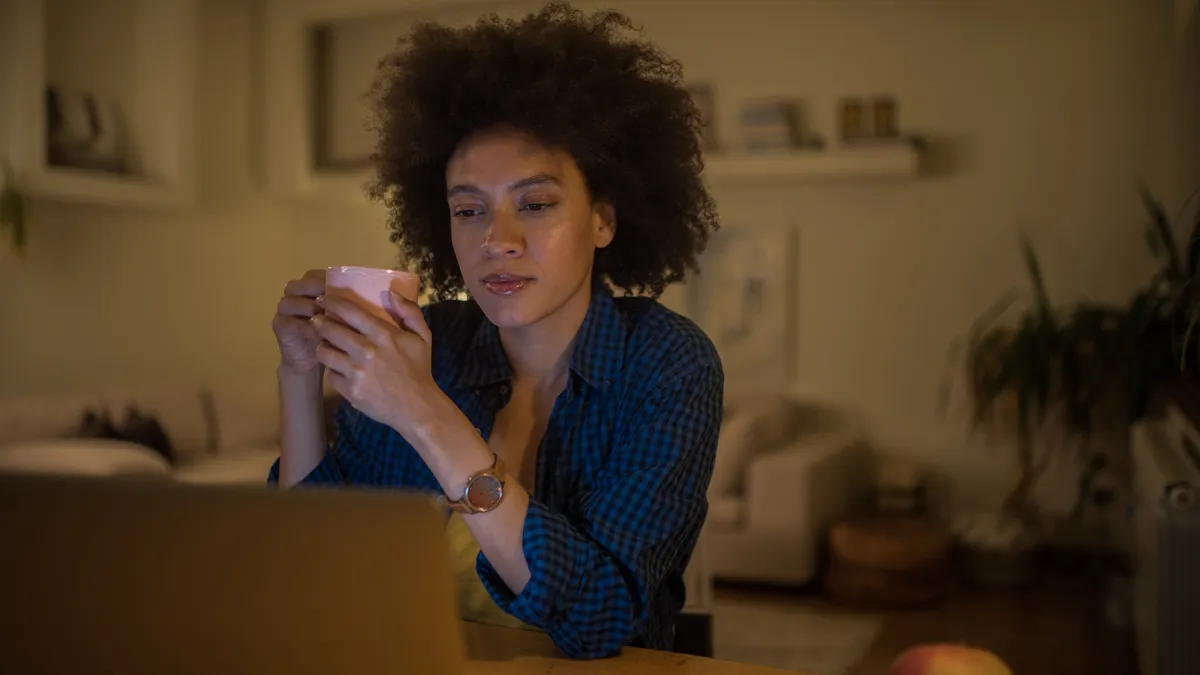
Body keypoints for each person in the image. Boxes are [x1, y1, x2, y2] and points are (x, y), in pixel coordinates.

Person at [267, 1, 723, 660]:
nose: (496, 241)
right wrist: (299, 376)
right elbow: (311, 560)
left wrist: (425, 412)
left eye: (535, 204)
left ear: (603, 219)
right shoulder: (432, 341)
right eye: (468, 209)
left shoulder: (665, 362)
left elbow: (599, 617)